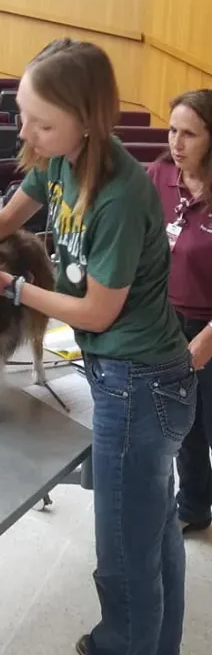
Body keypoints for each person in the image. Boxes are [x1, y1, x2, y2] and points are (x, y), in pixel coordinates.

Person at [0, 38, 196, 655]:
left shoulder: (118, 192)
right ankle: (153, 643)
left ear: (87, 120)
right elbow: (7, 219)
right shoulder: (59, 159)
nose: (27, 132)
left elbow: (95, 310)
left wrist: (9, 287)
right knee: (153, 530)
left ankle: (124, 642)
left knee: (123, 554)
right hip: (129, 373)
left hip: (141, 384)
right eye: (23, 114)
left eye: (44, 122)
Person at [148, 89, 212, 535]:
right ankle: (193, 505)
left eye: (189, 133)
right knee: (183, 427)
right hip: (167, 324)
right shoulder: (158, 176)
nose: (177, 142)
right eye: (172, 130)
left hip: (209, 326)